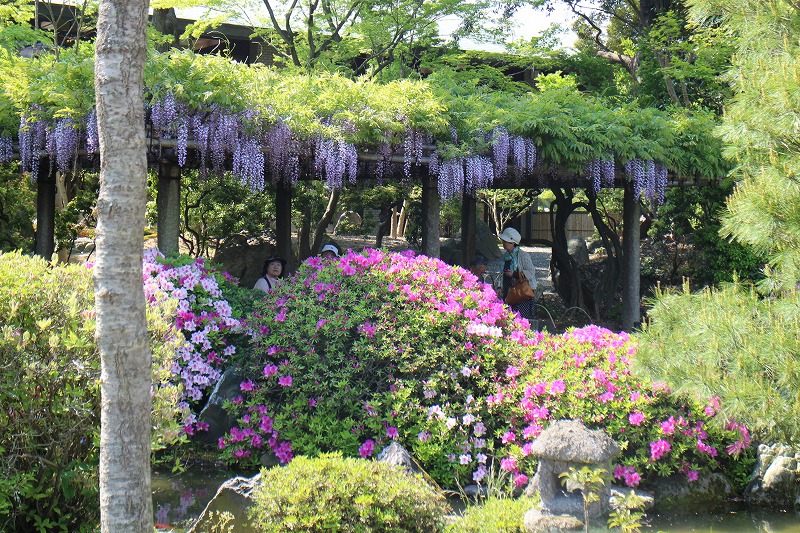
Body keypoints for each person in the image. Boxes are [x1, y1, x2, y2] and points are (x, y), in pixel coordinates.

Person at [498, 227, 538, 320]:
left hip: (521, 293)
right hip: (509, 292)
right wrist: (499, 287)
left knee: (521, 319)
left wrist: (514, 274)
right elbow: (501, 273)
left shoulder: (523, 255)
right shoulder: (505, 256)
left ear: (512, 243)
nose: (503, 243)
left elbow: (531, 272)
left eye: (505, 241)